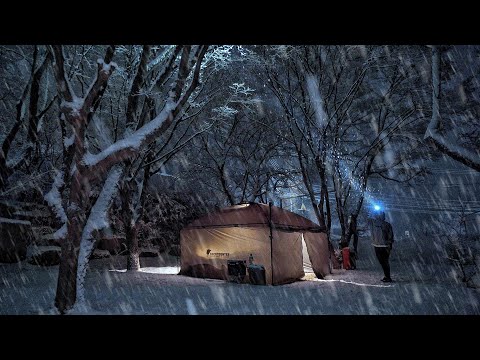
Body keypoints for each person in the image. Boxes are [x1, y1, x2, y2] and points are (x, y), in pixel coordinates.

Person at [369, 210, 394, 282]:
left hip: (383, 246)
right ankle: (387, 276)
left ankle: (387, 276)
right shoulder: (375, 224)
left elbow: (390, 235)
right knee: (383, 262)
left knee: (384, 262)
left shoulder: (385, 225)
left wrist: (389, 244)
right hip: (378, 245)